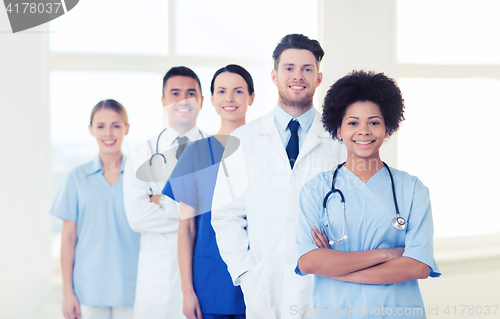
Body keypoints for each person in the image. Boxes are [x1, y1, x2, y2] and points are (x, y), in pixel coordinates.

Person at [211, 34, 346, 319]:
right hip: (265, 289)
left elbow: (352, 211)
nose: (298, 76)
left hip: (323, 287)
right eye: (289, 68)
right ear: (274, 76)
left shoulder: (340, 140)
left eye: (307, 69)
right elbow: (226, 216)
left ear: (319, 77)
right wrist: (247, 273)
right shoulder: (244, 139)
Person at [296, 70, 441, 318]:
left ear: (387, 129)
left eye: (374, 122)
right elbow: (309, 262)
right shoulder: (315, 189)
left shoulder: (412, 189)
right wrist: (387, 254)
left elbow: (418, 266)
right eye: (353, 123)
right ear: (338, 130)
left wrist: (336, 267)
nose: (363, 131)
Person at [163, 64, 254, 319]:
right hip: (209, 282)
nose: (229, 98)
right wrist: (187, 291)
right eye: (222, 91)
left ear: (252, 97)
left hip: (258, 278)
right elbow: (187, 227)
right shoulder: (196, 154)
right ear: (211, 99)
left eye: (238, 91)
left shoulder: (263, 152)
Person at [123, 67, 207, 319]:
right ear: (163, 101)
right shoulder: (141, 153)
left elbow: (218, 217)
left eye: (191, 93)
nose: (183, 99)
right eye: (175, 93)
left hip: (202, 271)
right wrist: (190, 215)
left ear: (201, 101)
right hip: (158, 279)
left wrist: (162, 201)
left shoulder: (216, 151)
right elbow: (137, 217)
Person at [50, 99, 140, 319]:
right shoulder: (76, 178)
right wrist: (67, 293)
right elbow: (68, 238)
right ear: (91, 130)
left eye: (116, 125)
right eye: (100, 126)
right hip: (88, 292)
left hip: (134, 289)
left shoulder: (139, 177)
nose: (108, 133)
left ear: (127, 129)